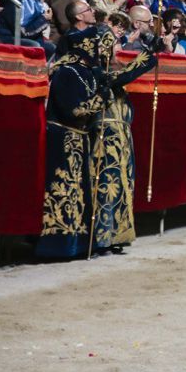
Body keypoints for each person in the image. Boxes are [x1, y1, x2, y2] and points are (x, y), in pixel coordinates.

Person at [35, 25, 155, 259]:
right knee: (97, 191)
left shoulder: (90, 72)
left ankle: (108, 237)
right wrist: (148, 56)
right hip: (91, 138)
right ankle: (96, 240)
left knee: (115, 188)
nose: (115, 50)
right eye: (111, 45)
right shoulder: (87, 72)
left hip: (106, 138)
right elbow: (115, 81)